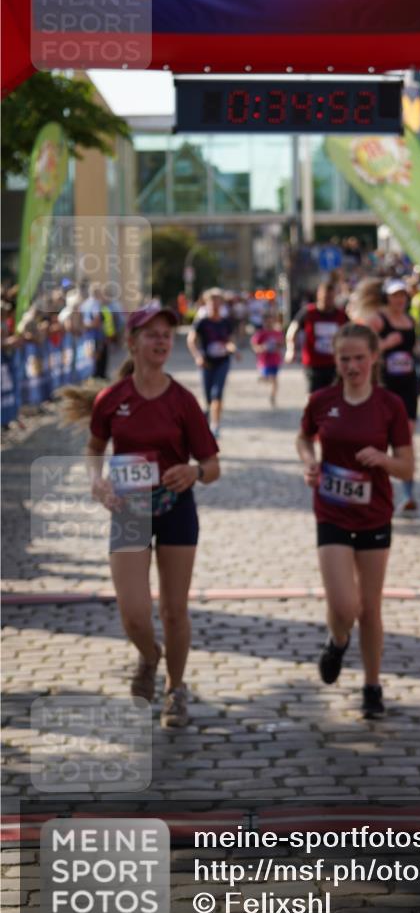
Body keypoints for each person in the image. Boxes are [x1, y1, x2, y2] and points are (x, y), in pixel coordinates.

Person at [60, 302, 220, 729]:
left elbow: (212, 466)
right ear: (131, 342)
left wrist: (194, 470)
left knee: (173, 610)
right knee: (133, 613)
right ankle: (150, 655)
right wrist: (96, 480)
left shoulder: (183, 400)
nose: (161, 341)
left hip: (175, 508)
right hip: (129, 507)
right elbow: (95, 447)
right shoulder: (113, 399)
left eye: (166, 334)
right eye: (151, 334)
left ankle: (176, 688)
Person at [296, 322, 414, 719]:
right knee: (344, 604)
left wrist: (384, 460)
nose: (351, 366)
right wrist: (310, 462)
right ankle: (337, 638)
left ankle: (372, 685)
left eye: (359, 358)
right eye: (344, 358)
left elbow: (408, 465)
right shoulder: (321, 400)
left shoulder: (389, 405)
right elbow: (303, 437)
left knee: (370, 607)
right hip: (330, 510)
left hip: (374, 513)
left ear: (374, 358)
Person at [367, 279, 420, 512]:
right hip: (385, 385)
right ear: (386, 297)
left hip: (408, 386)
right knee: (380, 438)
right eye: (394, 295)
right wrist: (386, 344)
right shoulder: (378, 320)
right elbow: (363, 347)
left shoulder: (411, 321)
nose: (399, 300)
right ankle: (378, 489)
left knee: (406, 438)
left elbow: (413, 350)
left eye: (402, 295)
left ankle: (408, 495)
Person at [187, 287, 236, 436]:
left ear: (221, 304)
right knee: (208, 397)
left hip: (223, 361)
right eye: (211, 302)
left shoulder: (226, 323)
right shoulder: (202, 323)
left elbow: (230, 341)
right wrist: (198, 356)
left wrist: (232, 349)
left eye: (217, 302)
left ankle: (215, 426)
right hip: (206, 363)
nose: (214, 305)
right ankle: (207, 419)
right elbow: (191, 340)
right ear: (206, 303)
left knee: (217, 393)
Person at [285, 279, 348, 394]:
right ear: (318, 296)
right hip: (313, 364)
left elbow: (350, 334)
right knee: (315, 396)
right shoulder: (309, 312)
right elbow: (293, 329)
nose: (327, 301)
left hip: (334, 363)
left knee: (334, 395)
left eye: (330, 298)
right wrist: (291, 349)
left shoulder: (341, 315)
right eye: (324, 298)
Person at [251, 308, 284, 408]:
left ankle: (272, 396)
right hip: (264, 360)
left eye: (271, 321)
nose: (269, 323)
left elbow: (282, 344)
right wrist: (262, 348)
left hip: (275, 359)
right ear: (264, 322)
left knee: (274, 379)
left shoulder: (277, 333)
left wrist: (278, 346)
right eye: (267, 322)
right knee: (267, 377)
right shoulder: (260, 333)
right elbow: (254, 346)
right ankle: (262, 378)